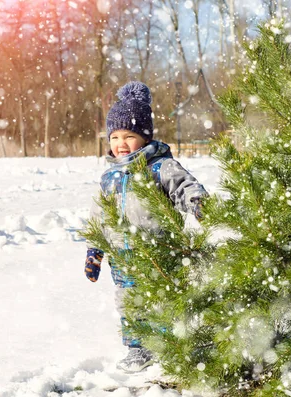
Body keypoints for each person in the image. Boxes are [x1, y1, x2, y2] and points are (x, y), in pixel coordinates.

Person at [84, 81, 207, 373]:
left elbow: (185, 185)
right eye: (114, 136)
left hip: (160, 251)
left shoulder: (160, 166)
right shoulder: (109, 178)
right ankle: (137, 348)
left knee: (164, 299)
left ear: (145, 136)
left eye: (129, 135)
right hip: (123, 258)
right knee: (129, 301)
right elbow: (100, 215)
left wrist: (198, 203)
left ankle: (170, 345)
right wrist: (94, 250)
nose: (120, 143)